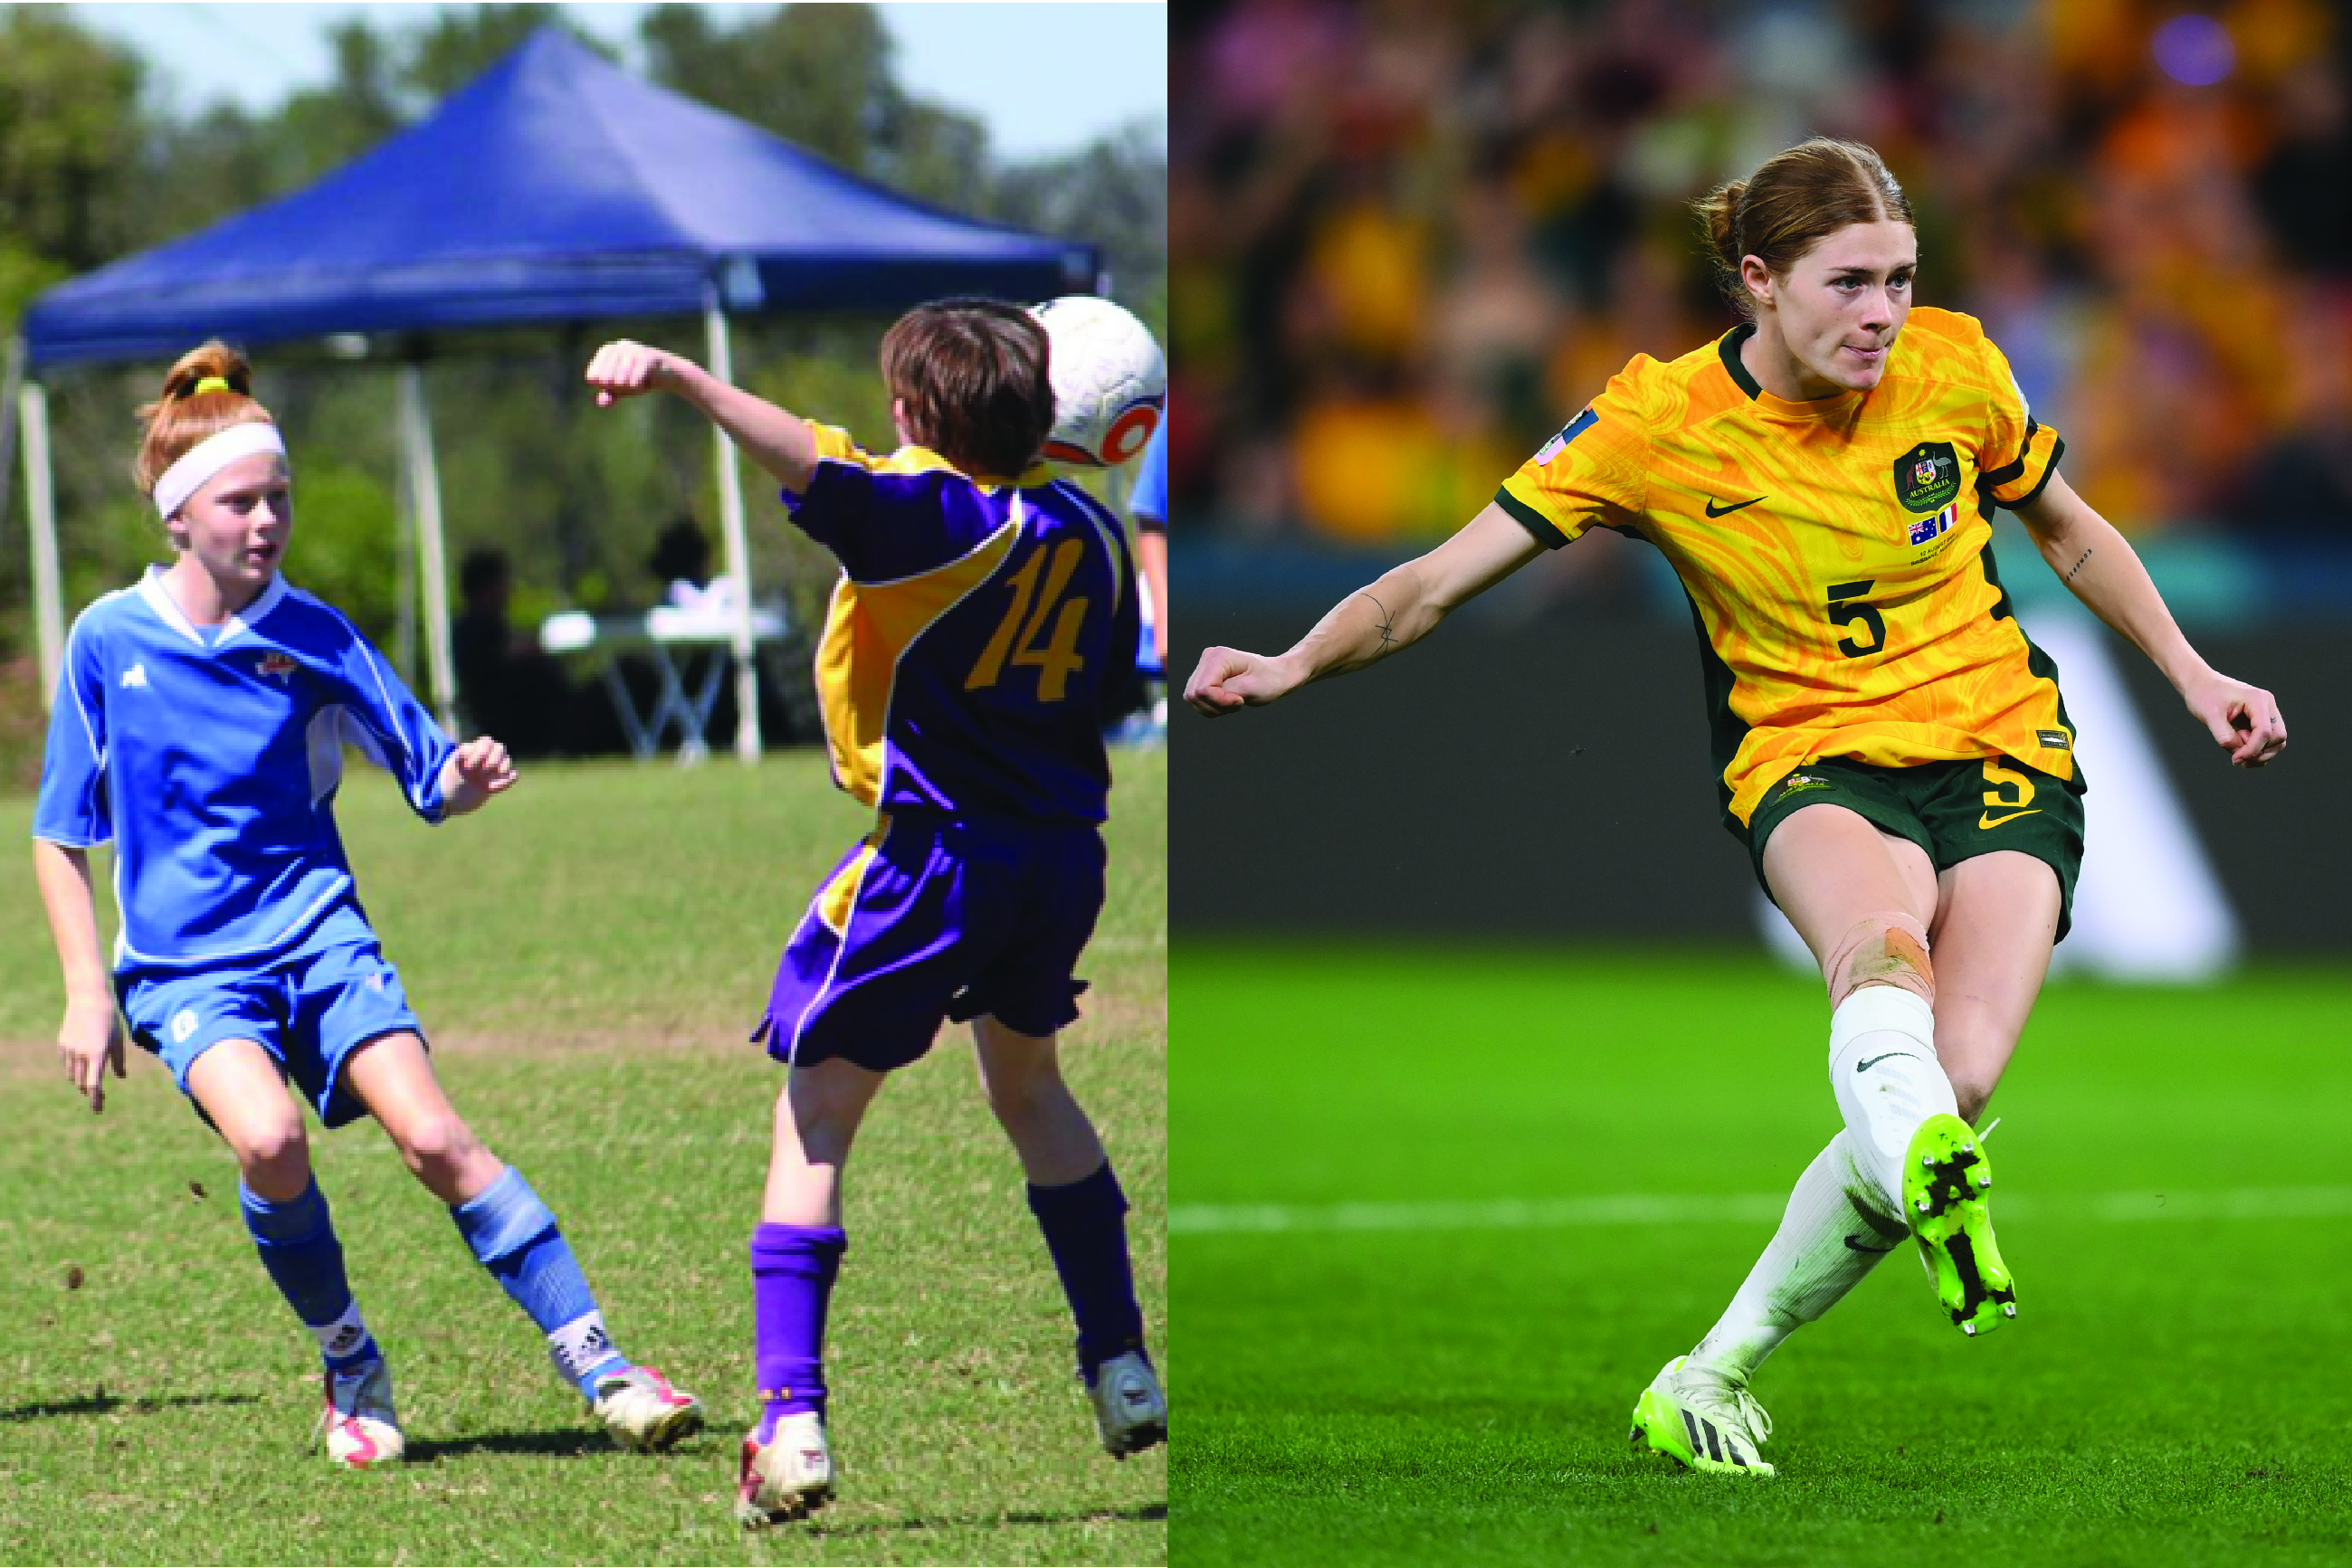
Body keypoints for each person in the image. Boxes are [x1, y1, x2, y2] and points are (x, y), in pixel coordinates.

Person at [1186, 138, 2287, 1477]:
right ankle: (1912, 1167)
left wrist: (2188, 669)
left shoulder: (1953, 367)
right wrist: (1296, 658)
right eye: (1846, 283)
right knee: (1873, 948)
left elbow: (2068, 530)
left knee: (1958, 1080)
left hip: (2005, 746)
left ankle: (1711, 1370)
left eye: (1897, 278)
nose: (1879, 312)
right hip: (1810, 752)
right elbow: (1427, 583)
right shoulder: (1650, 424)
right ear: (1757, 281)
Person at [31, 343, 705, 1470]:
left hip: (318, 937)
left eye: (277, 497)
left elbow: (425, 774)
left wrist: (465, 779)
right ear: (178, 517)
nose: (265, 520)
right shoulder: (109, 639)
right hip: (187, 969)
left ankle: (602, 1363)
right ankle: (349, 1359)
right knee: (269, 1137)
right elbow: (59, 830)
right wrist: (85, 992)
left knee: (436, 1135)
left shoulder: (320, 634)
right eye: (239, 501)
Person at [585, 298, 1165, 1526]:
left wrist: (685, 377)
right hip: (1058, 856)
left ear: (913, 418)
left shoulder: (933, 519)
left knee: (815, 1121)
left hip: (930, 863)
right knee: (1030, 1091)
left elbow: (801, 454)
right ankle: (1119, 1361)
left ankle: (790, 1422)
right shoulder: (1095, 535)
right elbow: (1107, 682)